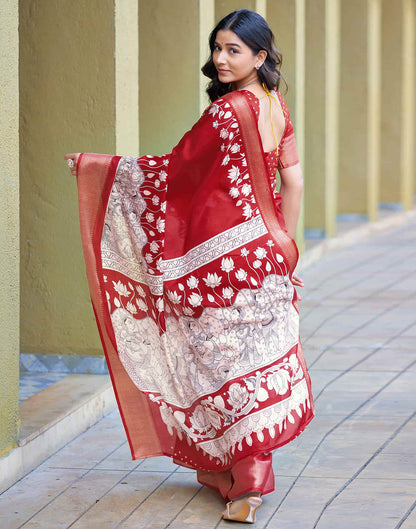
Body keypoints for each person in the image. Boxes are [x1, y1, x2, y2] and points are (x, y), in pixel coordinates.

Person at [65, 9, 314, 524]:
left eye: (234, 51)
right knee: (251, 366)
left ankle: (246, 486)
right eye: (217, 48)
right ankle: (233, 477)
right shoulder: (275, 107)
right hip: (268, 255)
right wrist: (287, 249)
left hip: (226, 264)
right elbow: (294, 182)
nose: (221, 60)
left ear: (259, 57)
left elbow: (173, 173)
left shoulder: (227, 114)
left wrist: (97, 168)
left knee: (225, 367)